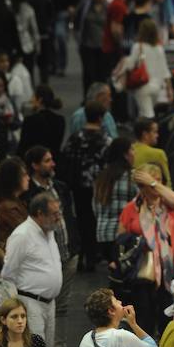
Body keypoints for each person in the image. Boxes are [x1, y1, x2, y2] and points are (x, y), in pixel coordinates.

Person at [24, 145, 79, 347]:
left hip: (67, 253)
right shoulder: (28, 194)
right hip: (43, 260)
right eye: (47, 161)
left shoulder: (61, 187)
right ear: (35, 165)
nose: (52, 164)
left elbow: (70, 216)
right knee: (43, 307)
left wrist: (76, 244)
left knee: (63, 306)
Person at [118, 164, 174, 343]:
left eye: (159, 181)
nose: (155, 186)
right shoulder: (131, 208)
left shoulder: (169, 206)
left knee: (167, 314)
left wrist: (152, 182)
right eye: (149, 183)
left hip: (169, 271)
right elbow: (120, 237)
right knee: (144, 315)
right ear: (140, 186)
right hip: (142, 271)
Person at [1, 192, 63, 347]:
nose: (59, 217)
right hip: (29, 303)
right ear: (40, 214)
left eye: (59, 212)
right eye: (54, 214)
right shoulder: (21, 236)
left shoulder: (49, 231)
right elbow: (7, 274)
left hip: (50, 303)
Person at [62, 101, 112, 272]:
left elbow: (66, 158)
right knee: (97, 218)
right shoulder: (105, 139)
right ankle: (94, 254)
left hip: (78, 186)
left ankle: (82, 253)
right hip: (98, 186)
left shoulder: (75, 137)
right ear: (100, 118)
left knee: (82, 218)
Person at [93, 137, 136, 259]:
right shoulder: (132, 177)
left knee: (113, 272)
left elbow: (95, 207)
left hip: (103, 235)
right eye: (132, 149)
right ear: (125, 154)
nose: (134, 153)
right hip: (125, 236)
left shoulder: (101, 178)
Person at [123, 17, 172, 118]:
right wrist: (169, 89)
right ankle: (143, 132)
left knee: (147, 115)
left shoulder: (138, 47)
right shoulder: (159, 49)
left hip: (142, 86)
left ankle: (145, 132)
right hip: (157, 88)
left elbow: (130, 65)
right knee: (146, 112)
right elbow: (165, 71)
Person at [0, 156, 30, 249]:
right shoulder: (6, 207)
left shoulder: (17, 202)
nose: (28, 178)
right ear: (13, 178)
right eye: (24, 175)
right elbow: (27, 232)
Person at [18, 84, 66, 159]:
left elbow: (22, 147)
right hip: (53, 161)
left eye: (33, 97)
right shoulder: (60, 120)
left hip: (34, 162)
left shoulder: (29, 120)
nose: (31, 100)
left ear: (39, 100)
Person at [75, 0, 108, 96]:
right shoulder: (85, 6)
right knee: (89, 75)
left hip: (103, 47)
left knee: (101, 76)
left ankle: (101, 100)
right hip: (87, 45)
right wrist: (78, 41)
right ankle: (87, 99)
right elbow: (77, 23)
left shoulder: (108, 7)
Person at [101, 0, 134, 74]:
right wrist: (123, 49)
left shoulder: (120, 4)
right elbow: (115, 30)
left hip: (112, 50)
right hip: (113, 51)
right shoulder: (118, 5)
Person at [132, 116, 172, 186]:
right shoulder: (158, 154)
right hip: (153, 193)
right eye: (155, 132)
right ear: (145, 134)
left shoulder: (129, 150)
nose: (157, 135)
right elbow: (167, 181)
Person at [10, 0, 40, 78]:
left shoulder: (9, 8)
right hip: (27, 45)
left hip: (13, 45)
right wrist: (37, 46)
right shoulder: (28, 9)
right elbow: (34, 30)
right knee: (29, 74)